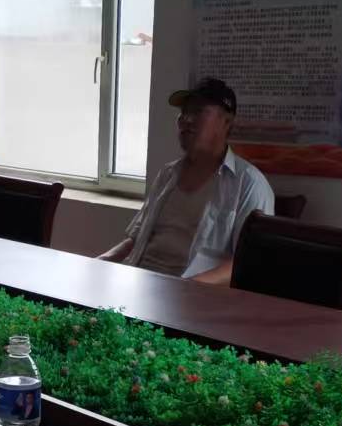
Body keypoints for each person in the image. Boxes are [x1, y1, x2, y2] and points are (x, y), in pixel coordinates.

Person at [98, 78, 274, 283]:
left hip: (195, 293)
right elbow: (135, 239)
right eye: (183, 112)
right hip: (139, 281)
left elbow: (247, 261)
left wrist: (189, 288)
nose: (186, 119)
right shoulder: (168, 174)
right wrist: (100, 262)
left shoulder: (249, 184)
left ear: (226, 122)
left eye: (198, 111)